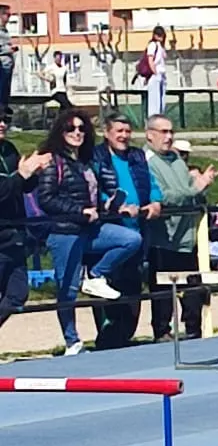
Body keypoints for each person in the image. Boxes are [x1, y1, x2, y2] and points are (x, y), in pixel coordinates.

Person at [32, 110, 145, 354]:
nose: (77, 133)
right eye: (71, 129)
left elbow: (90, 195)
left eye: (81, 128)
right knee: (68, 289)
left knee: (130, 239)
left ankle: (95, 275)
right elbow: (47, 199)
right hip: (64, 231)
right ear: (60, 132)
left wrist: (110, 206)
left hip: (89, 227)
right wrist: (80, 211)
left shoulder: (83, 161)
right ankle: (72, 341)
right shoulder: (53, 160)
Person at [86, 110, 157, 350]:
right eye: (119, 131)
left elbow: (151, 182)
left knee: (133, 286)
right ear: (107, 133)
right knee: (107, 287)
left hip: (138, 228)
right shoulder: (97, 157)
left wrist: (156, 201)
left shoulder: (137, 156)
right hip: (110, 230)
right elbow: (94, 188)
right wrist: (115, 204)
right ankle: (107, 338)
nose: (124, 136)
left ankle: (125, 334)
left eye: (127, 131)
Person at [141, 114, 213, 343]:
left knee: (194, 288)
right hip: (163, 237)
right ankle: (161, 331)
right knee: (162, 290)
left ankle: (193, 330)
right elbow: (164, 196)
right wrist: (194, 190)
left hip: (188, 236)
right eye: (163, 132)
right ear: (150, 134)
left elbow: (189, 189)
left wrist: (201, 187)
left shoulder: (176, 159)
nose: (169, 137)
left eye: (171, 131)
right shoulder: (147, 161)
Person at [0, 110, 35, 332]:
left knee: (17, 294)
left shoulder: (9, 150)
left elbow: (21, 187)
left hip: (15, 235)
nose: (2, 124)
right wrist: (21, 175)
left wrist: (33, 174)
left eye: (5, 120)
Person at [139, 25, 169, 120]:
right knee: (154, 101)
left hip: (161, 74)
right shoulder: (152, 45)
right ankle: (153, 121)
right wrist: (154, 72)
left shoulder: (160, 46)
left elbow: (164, 56)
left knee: (161, 101)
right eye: (159, 35)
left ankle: (160, 119)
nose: (161, 37)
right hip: (155, 74)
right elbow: (150, 59)